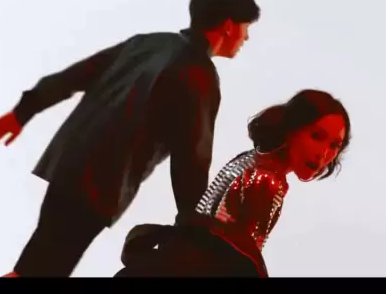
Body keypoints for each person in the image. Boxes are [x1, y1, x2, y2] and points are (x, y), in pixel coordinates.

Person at [0, 0, 261, 277]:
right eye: (246, 27)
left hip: (69, 161)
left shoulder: (146, 43)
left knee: (35, 264)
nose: (246, 37)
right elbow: (191, 158)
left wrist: (23, 111)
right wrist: (193, 225)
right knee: (43, 270)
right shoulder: (200, 76)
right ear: (228, 26)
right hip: (103, 182)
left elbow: (77, 75)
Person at [114, 89, 351, 278]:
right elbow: (242, 257)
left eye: (334, 146)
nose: (323, 154)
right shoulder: (269, 180)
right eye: (316, 136)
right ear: (292, 129)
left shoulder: (253, 160)